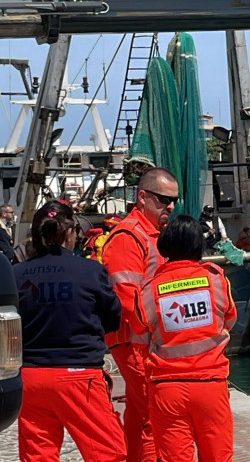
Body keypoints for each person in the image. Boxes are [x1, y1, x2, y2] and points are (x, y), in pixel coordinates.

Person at [13, 200, 125, 461]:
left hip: (30, 378)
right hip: (78, 376)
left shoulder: (16, 274)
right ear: (71, 232)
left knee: (38, 455)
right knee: (107, 453)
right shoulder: (90, 271)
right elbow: (113, 319)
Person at [131, 214, 236, 462]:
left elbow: (138, 338)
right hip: (210, 386)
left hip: (167, 390)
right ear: (199, 246)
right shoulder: (215, 279)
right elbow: (229, 319)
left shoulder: (149, 288)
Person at [101, 167, 178, 462]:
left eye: (173, 200)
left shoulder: (150, 236)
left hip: (142, 341)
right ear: (142, 197)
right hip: (136, 342)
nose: (170, 206)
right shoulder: (128, 237)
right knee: (152, 417)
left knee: (138, 414)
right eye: (162, 199)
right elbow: (126, 297)